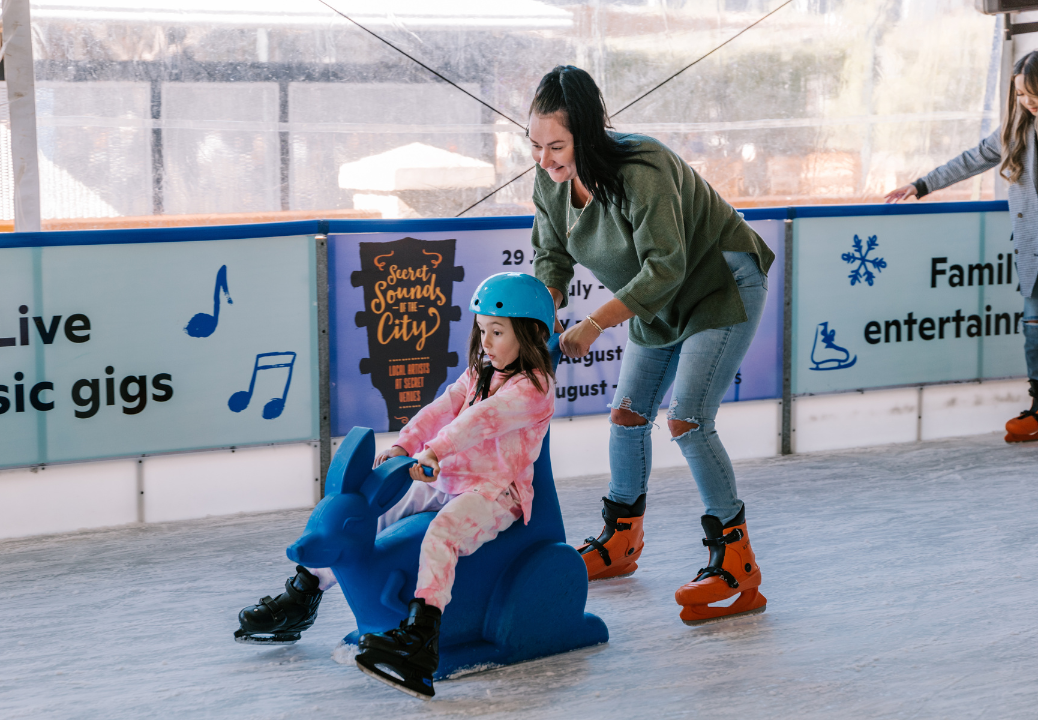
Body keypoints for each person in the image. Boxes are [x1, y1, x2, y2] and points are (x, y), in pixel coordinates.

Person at [528, 65, 774, 626]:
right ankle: (620, 541)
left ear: (587, 135)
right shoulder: (550, 180)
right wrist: (543, 318)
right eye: (535, 145)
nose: (545, 160)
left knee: (688, 419)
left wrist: (591, 325)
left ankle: (736, 560)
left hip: (719, 284)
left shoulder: (643, 167)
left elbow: (665, 267)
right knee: (627, 413)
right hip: (655, 300)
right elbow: (551, 257)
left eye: (557, 146)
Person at [235, 272, 557, 699]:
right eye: (481, 331)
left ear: (531, 334)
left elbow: (480, 422)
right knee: (376, 509)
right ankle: (304, 593)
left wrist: (435, 451)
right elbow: (443, 407)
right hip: (451, 477)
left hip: (495, 493)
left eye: (497, 332)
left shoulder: (534, 388)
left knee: (442, 534)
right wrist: (406, 442)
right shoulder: (480, 372)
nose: (486, 342)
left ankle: (420, 639)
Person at [886, 52, 1038, 444]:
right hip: (1033, 251)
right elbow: (972, 159)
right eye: (1021, 94)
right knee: (1034, 331)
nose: (1028, 101)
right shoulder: (1016, 130)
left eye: (1033, 92)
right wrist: (921, 185)